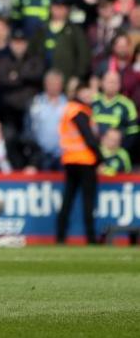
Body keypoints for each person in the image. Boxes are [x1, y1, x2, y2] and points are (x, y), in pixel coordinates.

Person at [57, 82, 100, 245]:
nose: (88, 98)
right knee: (88, 201)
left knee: (68, 199)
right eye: (85, 94)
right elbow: (89, 138)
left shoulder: (69, 109)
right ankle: (90, 238)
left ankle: (60, 236)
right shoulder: (79, 111)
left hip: (70, 159)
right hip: (85, 160)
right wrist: (100, 157)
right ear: (78, 94)